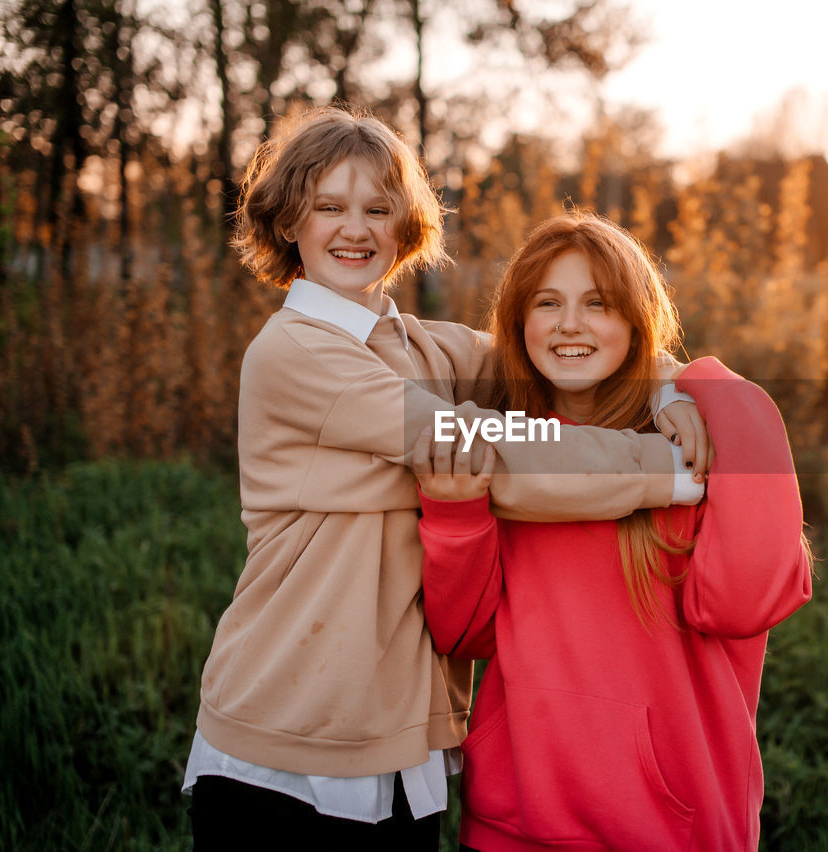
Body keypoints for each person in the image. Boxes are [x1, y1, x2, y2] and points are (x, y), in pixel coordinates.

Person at [182, 106, 709, 849]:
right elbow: (490, 449)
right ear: (288, 221)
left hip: (404, 746)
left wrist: (670, 386)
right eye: (329, 206)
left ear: (407, 228)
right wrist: (675, 472)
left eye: (378, 208)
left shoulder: (425, 347)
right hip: (284, 745)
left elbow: (559, 345)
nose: (355, 228)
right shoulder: (293, 352)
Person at [413, 211, 814, 851]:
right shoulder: (507, 449)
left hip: (672, 828)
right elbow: (465, 633)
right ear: (520, 324)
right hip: (514, 825)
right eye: (548, 303)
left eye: (598, 303)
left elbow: (751, 600)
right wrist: (458, 515)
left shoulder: (689, 446)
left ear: (636, 319)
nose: (570, 324)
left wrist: (693, 382)